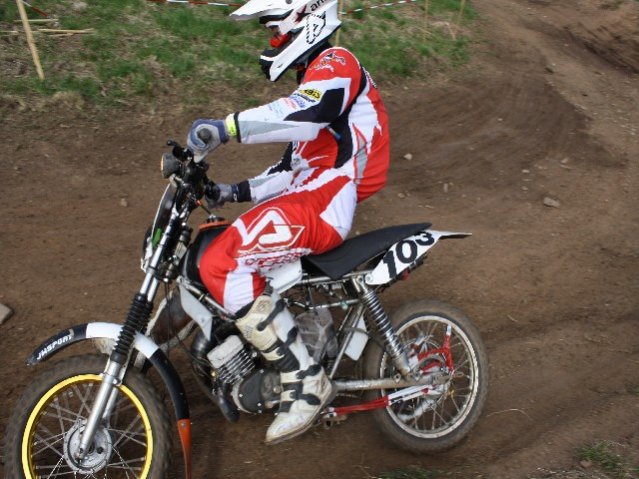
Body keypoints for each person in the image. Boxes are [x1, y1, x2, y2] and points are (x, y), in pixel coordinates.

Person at [186, 0, 390, 444]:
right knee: (218, 247)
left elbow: (305, 113)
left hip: (324, 201)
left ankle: (306, 383)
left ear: (305, 17)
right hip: (309, 195)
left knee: (223, 262)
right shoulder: (314, 84)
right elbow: (284, 172)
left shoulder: (336, 62)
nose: (273, 40)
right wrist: (227, 192)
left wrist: (225, 128)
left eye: (276, 30)